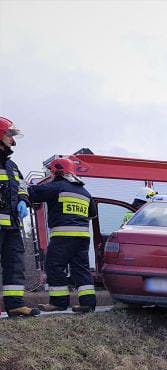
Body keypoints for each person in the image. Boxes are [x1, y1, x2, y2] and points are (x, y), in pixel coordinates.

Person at [28, 158, 96, 313]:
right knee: (81, 269)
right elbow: (92, 213)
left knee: (54, 266)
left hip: (63, 236)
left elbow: (34, 193)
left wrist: (21, 186)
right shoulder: (85, 192)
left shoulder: (57, 186)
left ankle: (59, 302)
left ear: (57, 172)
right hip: (83, 238)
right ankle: (88, 304)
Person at [0, 116, 40, 316]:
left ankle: (15, 304)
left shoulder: (12, 165)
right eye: (9, 134)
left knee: (15, 264)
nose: (12, 139)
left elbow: (22, 187)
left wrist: (23, 200)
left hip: (13, 224)